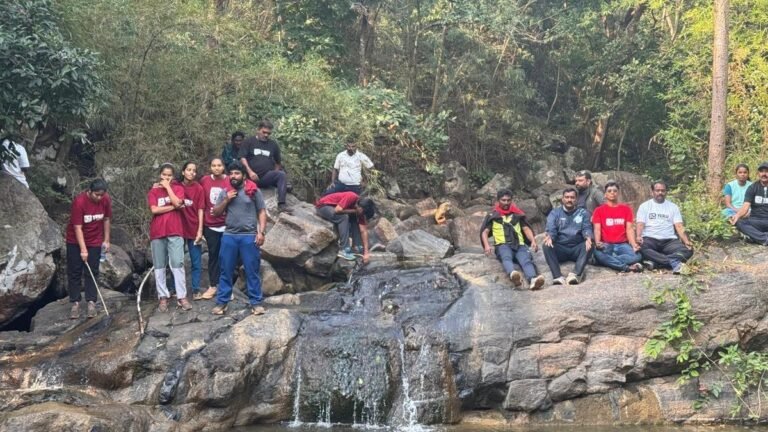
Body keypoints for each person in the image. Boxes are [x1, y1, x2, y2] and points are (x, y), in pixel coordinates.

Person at [210, 161, 268, 315]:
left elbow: (261, 212)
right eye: (231, 173)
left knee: (252, 270)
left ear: (243, 175)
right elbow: (215, 212)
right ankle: (222, 302)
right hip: (229, 235)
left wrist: (261, 232)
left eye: (237, 173)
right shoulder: (225, 192)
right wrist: (226, 199)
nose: (233, 176)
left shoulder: (253, 191)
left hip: (249, 236)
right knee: (225, 270)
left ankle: (256, 303)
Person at [480, 189, 545, 290]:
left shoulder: (517, 214)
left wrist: (533, 241)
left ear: (511, 201)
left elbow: (526, 228)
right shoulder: (493, 216)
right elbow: (485, 232)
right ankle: (513, 275)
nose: (506, 203)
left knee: (526, 260)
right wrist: (487, 245)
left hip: (519, 245)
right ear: (498, 201)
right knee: (506, 257)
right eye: (503, 200)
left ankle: (532, 280)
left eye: (508, 200)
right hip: (503, 245)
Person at [65, 179, 112, 319]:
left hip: (95, 240)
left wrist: (107, 240)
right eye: (96, 195)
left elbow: (107, 219)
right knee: (75, 270)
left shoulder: (105, 200)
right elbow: (77, 227)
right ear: (89, 192)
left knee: (92, 270)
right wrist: (83, 250)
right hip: (75, 240)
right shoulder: (79, 202)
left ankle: (91, 301)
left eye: (101, 195)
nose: (99, 197)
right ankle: (75, 303)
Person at [148, 164, 191, 312]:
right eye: (164, 175)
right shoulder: (153, 191)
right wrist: (174, 207)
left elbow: (179, 202)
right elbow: (154, 209)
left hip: (175, 231)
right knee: (159, 266)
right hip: (157, 232)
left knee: (177, 263)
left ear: (173, 176)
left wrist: (167, 188)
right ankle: (163, 297)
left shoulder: (177, 188)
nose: (166, 178)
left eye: (169, 175)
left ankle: (181, 296)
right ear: (160, 175)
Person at [635, 181, 693, 274]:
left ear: (666, 192)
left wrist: (686, 241)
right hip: (650, 239)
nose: (660, 193)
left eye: (663, 190)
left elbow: (679, 226)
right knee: (642, 248)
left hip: (669, 241)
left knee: (688, 250)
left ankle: (657, 263)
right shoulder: (645, 206)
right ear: (652, 192)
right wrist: (638, 236)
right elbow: (640, 223)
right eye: (657, 190)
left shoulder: (673, 207)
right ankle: (674, 262)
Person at [543, 187, 594, 285]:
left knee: (590, 244)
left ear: (576, 199)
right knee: (546, 245)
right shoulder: (555, 213)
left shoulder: (583, 213)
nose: (569, 200)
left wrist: (588, 237)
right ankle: (557, 277)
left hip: (576, 249)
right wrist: (550, 236)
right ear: (562, 199)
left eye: (572, 197)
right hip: (561, 248)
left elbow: (586, 227)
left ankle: (575, 274)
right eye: (566, 197)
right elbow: (551, 227)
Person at [239, 120, 291, 213]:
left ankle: (282, 204)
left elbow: (278, 162)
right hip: (250, 178)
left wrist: (274, 173)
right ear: (258, 130)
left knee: (281, 175)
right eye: (264, 132)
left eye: (268, 133)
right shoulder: (249, 141)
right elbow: (242, 158)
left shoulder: (273, 144)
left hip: (265, 177)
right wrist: (250, 172)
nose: (266, 135)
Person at [591, 181, 643, 273]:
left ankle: (607, 261)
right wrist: (598, 242)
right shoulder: (599, 210)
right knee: (597, 253)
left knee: (637, 256)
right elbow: (597, 229)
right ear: (605, 194)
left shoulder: (626, 209)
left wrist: (634, 244)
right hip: (606, 244)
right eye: (609, 191)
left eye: (615, 191)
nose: (612, 193)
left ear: (618, 193)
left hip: (622, 244)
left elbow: (629, 229)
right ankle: (627, 267)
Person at [199, 158, 229, 300]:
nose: (216, 168)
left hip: (227, 225)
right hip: (210, 225)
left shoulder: (229, 180)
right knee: (213, 256)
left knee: (227, 257)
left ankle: (226, 287)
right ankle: (213, 286)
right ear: (210, 167)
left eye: (219, 165)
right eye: (214, 165)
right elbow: (189, 186)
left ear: (223, 167)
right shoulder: (204, 180)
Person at [315, 191, 375, 262]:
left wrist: (366, 252)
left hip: (335, 208)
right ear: (361, 208)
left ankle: (357, 247)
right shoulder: (351, 196)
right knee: (344, 217)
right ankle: (344, 250)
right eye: (363, 213)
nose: (362, 215)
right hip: (323, 206)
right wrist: (354, 211)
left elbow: (363, 231)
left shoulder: (361, 210)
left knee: (355, 218)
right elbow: (337, 210)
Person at [179, 162, 205, 300]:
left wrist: (200, 230)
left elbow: (201, 209)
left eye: (194, 171)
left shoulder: (199, 188)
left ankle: (195, 290)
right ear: (183, 172)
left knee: (196, 262)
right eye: (188, 170)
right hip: (178, 229)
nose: (191, 173)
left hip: (193, 227)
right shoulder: (176, 187)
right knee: (177, 261)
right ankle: (175, 289)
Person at [730, 162, 768, 246]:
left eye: (766, 171)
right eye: (762, 171)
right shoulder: (752, 188)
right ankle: (764, 238)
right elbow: (745, 206)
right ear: (758, 173)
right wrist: (737, 216)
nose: (764, 174)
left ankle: (755, 237)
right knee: (739, 222)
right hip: (755, 221)